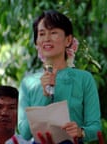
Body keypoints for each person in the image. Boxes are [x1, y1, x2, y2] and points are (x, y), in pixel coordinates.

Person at [18, 10, 101, 143]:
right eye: (42, 34)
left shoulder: (84, 79)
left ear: (68, 40)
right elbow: (25, 133)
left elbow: (96, 128)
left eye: (54, 33)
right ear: (36, 43)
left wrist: (81, 131)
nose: (47, 38)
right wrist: (43, 93)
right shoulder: (28, 83)